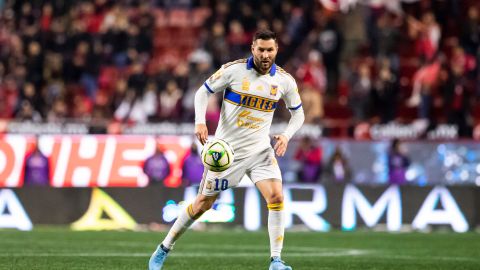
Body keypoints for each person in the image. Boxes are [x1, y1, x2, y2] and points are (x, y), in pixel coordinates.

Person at [149, 29, 304, 270]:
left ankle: (276, 260)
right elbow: (203, 92)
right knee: (202, 204)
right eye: (261, 49)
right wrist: (200, 121)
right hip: (226, 155)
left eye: (270, 50)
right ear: (253, 48)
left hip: (260, 151)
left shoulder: (284, 81)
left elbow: (299, 114)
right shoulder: (234, 70)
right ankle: (164, 247)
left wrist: (285, 135)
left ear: (276, 51)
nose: (265, 54)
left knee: (276, 197)